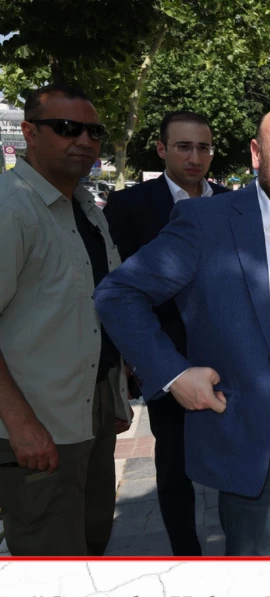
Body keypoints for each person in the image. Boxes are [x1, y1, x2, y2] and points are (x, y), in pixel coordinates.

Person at [94, 106, 270, 556]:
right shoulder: (207, 222)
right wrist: (174, 374)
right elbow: (117, 294)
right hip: (259, 437)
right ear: (257, 154)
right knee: (252, 569)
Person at [0, 84, 133, 556]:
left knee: (91, 543)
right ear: (30, 133)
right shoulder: (12, 209)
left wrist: (114, 392)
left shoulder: (84, 208)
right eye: (67, 128)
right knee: (51, 559)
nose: (84, 140)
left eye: (94, 132)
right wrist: (21, 424)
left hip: (89, 410)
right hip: (38, 424)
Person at [103, 110, 231, 556]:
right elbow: (116, 291)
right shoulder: (130, 206)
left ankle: (246, 549)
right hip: (167, 361)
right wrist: (136, 361)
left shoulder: (231, 203)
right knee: (174, 467)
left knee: (239, 465)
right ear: (162, 149)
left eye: (203, 147)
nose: (195, 157)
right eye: (184, 146)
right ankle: (186, 555)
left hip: (228, 360)